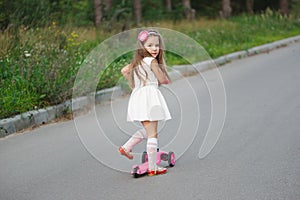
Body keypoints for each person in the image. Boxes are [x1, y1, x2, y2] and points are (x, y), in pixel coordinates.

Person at [119, 30, 171, 176]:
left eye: (157, 45)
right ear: (142, 46)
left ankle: (126, 147)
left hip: (138, 97)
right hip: (150, 98)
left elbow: (124, 70)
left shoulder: (137, 62)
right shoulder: (152, 61)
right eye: (150, 45)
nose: (155, 48)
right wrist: (164, 78)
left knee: (148, 129)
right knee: (153, 133)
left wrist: (133, 81)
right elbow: (161, 79)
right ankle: (153, 167)